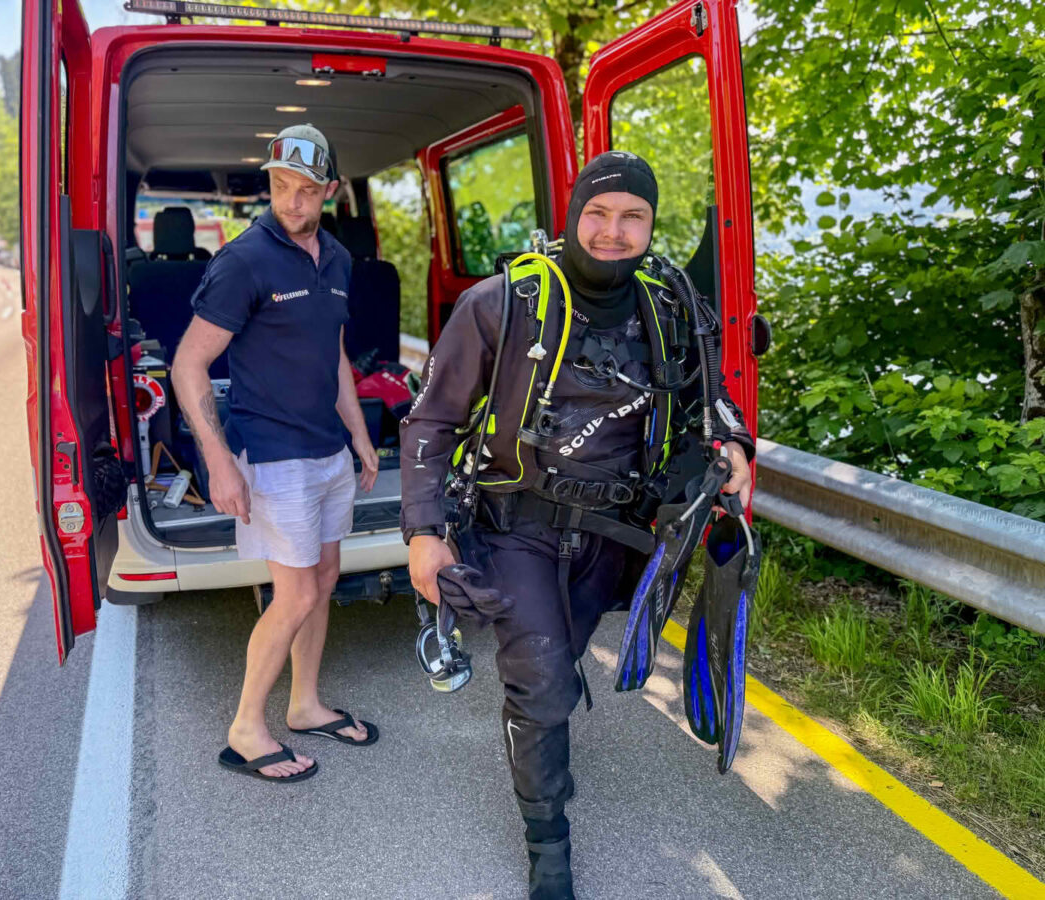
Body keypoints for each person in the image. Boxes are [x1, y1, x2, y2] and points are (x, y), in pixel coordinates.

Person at [400, 151, 756, 898]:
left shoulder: (668, 306)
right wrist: (424, 530)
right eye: (598, 213)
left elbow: (711, 398)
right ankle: (548, 849)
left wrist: (736, 448)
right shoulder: (502, 303)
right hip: (514, 524)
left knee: (559, 662)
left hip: (615, 537)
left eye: (633, 217)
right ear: (572, 215)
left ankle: (546, 735)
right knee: (542, 682)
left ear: (652, 225)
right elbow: (430, 421)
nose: (613, 231)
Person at [172, 124, 381, 784]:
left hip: (326, 453)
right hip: (273, 455)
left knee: (322, 585)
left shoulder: (339, 261)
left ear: (331, 192)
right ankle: (244, 729)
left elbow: (337, 359)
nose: (292, 202)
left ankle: (305, 704)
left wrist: (360, 436)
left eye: (307, 190)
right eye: (280, 187)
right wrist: (218, 459)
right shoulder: (244, 261)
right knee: (291, 596)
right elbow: (188, 365)